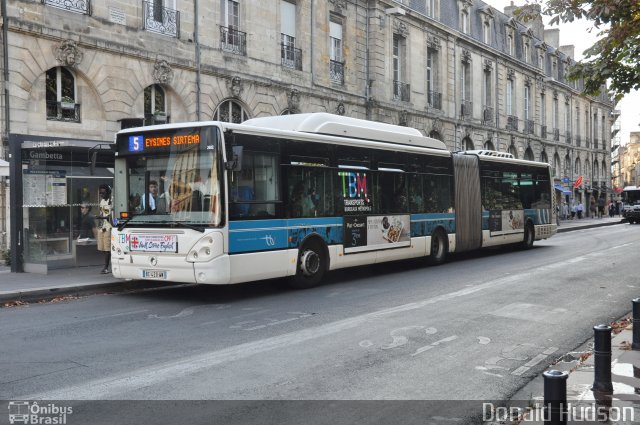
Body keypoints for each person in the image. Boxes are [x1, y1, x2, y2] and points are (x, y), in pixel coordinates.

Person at [97, 184, 113, 274]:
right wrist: (99, 217)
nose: (101, 194)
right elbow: (102, 213)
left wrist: (102, 217)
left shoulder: (111, 201)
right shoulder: (102, 201)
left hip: (108, 227)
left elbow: (111, 216)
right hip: (102, 227)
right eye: (100, 193)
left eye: (103, 192)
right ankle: (108, 264)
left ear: (108, 192)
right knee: (102, 247)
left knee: (107, 248)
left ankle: (106, 267)